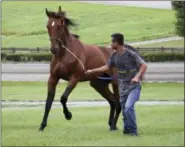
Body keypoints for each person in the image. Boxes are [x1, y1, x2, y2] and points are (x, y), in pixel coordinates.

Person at [85, 33, 147, 136]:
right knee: (124, 110)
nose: (110, 44)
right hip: (122, 87)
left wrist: (137, 77)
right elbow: (106, 67)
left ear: (116, 43)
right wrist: (92, 71)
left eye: (111, 42)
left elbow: (144, 65)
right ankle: (127, 130)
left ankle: (133, 131)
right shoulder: (114, 55)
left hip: (133, 86)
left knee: (128, 107)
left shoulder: (130, 54)